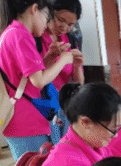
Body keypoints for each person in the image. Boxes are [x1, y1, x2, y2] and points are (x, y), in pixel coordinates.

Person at [0, 0, 73, 160]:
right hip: (27, 123)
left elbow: (28, 76)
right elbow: (39, 81)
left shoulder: (11, 33)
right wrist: (64, 60)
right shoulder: (20, 35)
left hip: (24, 121)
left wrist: (50, 57)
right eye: (46, 16)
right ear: (34, 9)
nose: (46, 23)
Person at [38, 0, 84, 144]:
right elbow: (36, 78)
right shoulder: (36, 37)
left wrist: (77, 66)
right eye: (60, 20)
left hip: (63, 105)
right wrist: (60, 60)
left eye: (70, 24)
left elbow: (78, 83)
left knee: (64, 147)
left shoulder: (70, 39)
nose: (64, 27)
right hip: (40, 106)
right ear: (49, 13)